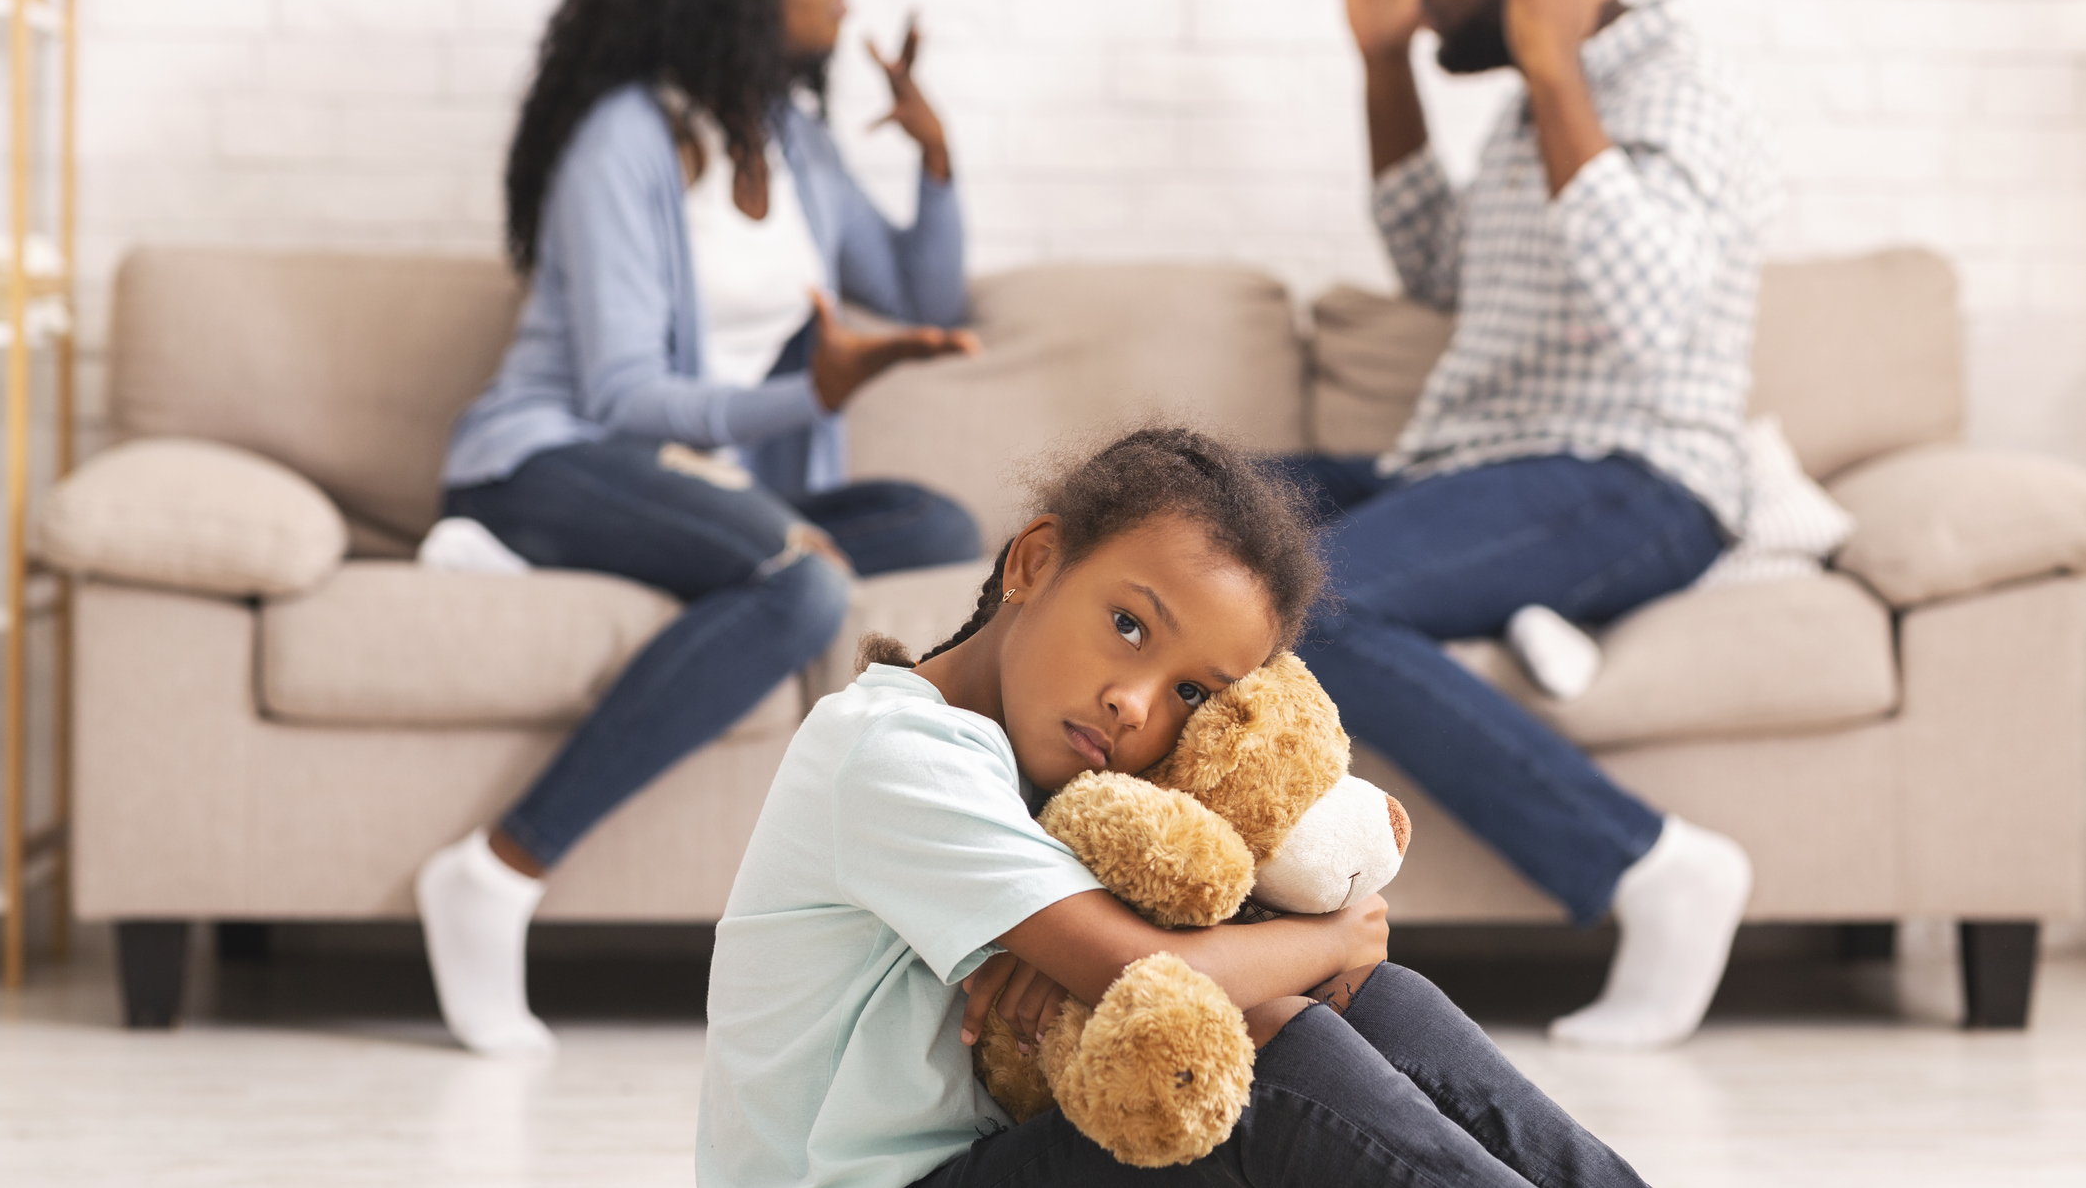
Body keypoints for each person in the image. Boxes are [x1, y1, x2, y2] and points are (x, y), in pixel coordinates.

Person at [698, 426, 1652, 1188]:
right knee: (1266, 1055)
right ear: (1034, 561)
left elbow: (1180, 959)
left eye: (1194, 694)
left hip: (991, 1159)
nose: (1135, 703)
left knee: (1375, 1005)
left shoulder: (1065, 786)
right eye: (1127, 625)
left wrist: (1132, 964)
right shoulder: (895, 749)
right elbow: (1149, 970)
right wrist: (1334, 939)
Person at [415, 0, 985, 1056]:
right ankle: (498, 869)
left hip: (692, 480)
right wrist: (809, 399)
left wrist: (936, 161)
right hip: (552, 457)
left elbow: (926, 299)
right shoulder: (622, 138)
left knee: (939, 527)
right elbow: (620, 392)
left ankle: (579, 563)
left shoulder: (793, 138)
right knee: (801, 579)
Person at [1296, 0, 1782, 1050]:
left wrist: (1560, 71)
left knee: (1317, 596)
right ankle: (1509, 602)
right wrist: (1381, 62)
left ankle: (1655, 865)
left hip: (1634, 473)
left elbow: (1647, 307)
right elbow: (1443, 267)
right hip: (1475, 462)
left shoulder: (1675, 87)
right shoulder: (1529, 99)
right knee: (1189, 520)